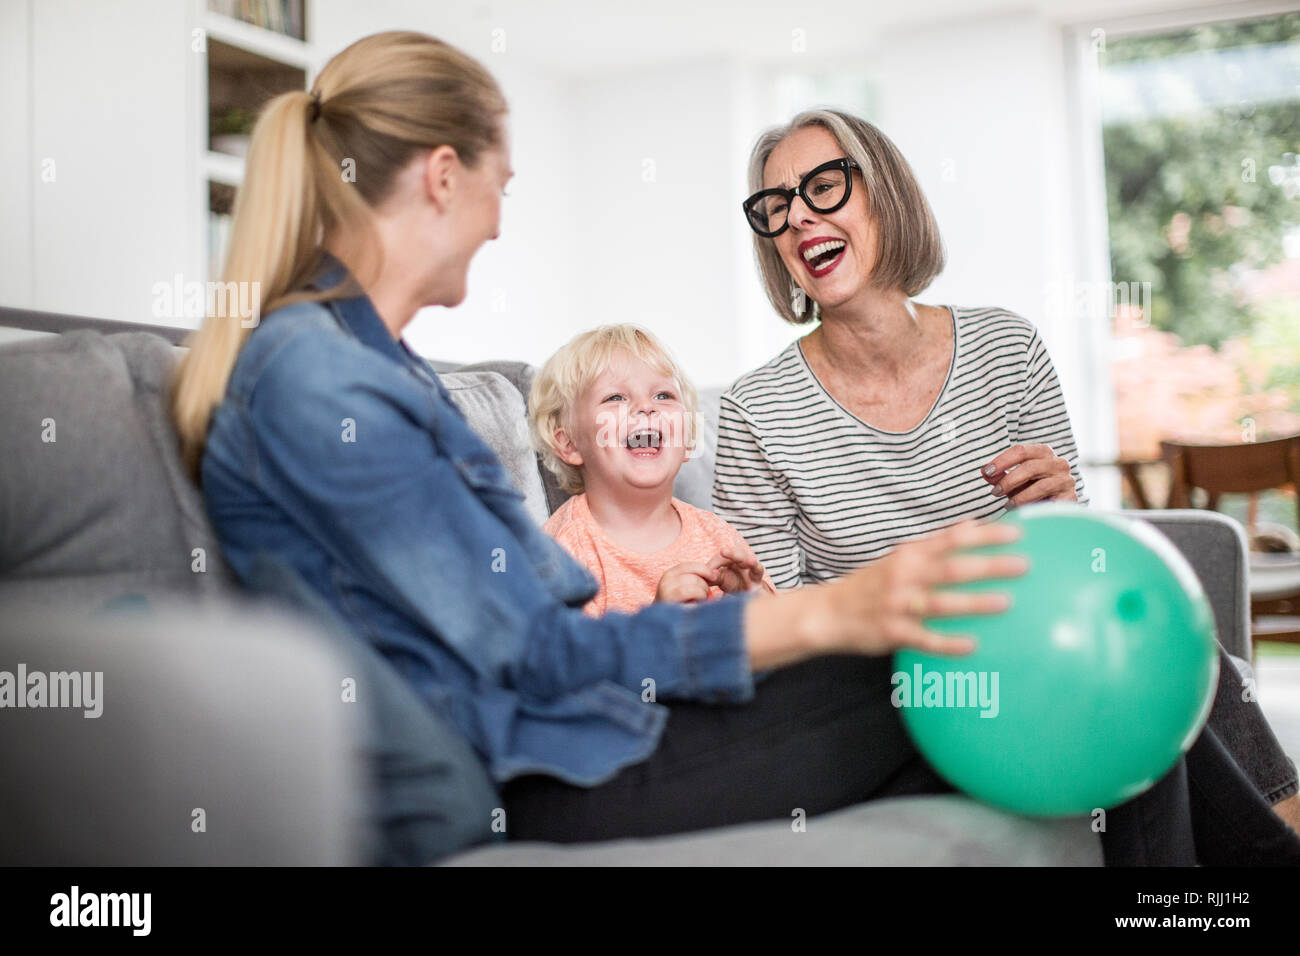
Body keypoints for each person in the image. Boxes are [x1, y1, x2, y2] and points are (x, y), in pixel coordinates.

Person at [168, 30, 1266, 865]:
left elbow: (531, 638)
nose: (503, 219)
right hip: (540, 769)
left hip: (576, 729)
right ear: (444, 175)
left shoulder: (366, 366)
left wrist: (783, 615)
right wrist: (827, 608)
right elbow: (531, 661)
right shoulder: (318, 380)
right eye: (501, 183)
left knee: (1043, 655)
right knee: (1032, 666)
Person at [714, 107, 1300, 849]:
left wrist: (1062, 509)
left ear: (884, 193)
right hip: (895, 678)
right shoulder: (754, 410)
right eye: (777, 206)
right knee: (1117, 692)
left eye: (824, 186)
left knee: (1157, 633)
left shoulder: (1005, 346)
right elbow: (778, 618)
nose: (799, 217)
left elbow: (1077, 557)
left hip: (1034, 635)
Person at [530, 324, 776, 615]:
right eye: (615, 398)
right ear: (569, 443)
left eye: (663, 396)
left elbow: (782, 639)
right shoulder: (564, 552)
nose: (646, 407)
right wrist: (657, 624)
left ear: (687, 440)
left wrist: (754, 600)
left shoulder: (717, 536)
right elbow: (573, 658)